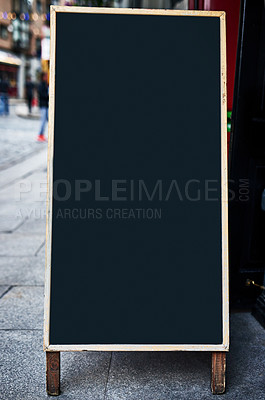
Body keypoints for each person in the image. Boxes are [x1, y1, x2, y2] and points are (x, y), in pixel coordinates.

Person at [37, 72, 49, 142]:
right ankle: (40, 135)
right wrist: (48, 95)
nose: (47, 77)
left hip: (46, 105)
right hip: (43, 105)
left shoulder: (45, 84)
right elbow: (41, 94)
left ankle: (42, 135)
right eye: (46, 76)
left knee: (47, 120)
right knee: (43, 121)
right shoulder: (41, 85)